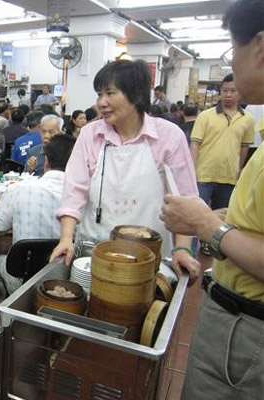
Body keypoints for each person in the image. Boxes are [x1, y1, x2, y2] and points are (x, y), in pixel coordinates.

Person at [162, 2, 264, 398]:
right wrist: (230, 218)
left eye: (232, 49)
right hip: (233, 315)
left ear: (259, 46)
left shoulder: (248, 121)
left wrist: (210, 226)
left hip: (247, 334)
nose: (233, 64)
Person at [49, 59, 200, 285]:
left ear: (137, 95)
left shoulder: (169, 137)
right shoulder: (91, 134)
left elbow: (185, 201)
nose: (102, 102)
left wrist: (182, 249)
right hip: (94, 254)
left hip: (148, 259)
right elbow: (74, 191)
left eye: (110, 93)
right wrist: (66, 237)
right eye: (99, 95)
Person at [0, 135, 76, 296]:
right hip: (64, 283)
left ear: (45, 161)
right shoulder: (83, 196)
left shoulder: (19, 188)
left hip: (21, 279)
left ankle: (8, 303)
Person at [190, 73, 255, 210]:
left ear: (240, 92)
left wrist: (237, 169)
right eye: (225, 91)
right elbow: (195, 144)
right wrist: (192, 170)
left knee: (221, 218)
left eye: (233, 91)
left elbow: (244, 147)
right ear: (220, 92)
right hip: (203, 176)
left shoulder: (247, 119)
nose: (228, 94)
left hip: (228, 178)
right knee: (196, 212)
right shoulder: (205, 116)